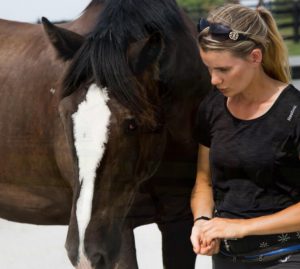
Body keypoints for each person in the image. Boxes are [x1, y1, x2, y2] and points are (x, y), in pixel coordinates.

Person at [190, 3, 300, 269]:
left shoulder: (295, 113)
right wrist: (203, 222)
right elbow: (204, 182)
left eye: (223, 70)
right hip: (227, 259)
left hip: (286, 257)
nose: (214, 80)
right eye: (209, 69)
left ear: (255, 57)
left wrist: (241, 227)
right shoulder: (212, 108)